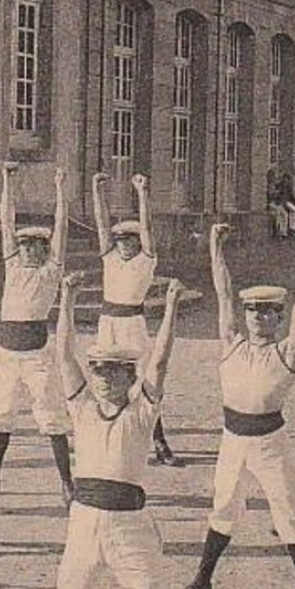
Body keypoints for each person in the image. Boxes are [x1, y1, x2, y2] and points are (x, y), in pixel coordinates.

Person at [0, 272, 210, 589]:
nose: (106, 378)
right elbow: (62, 351)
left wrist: (170, 306)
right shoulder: (82, 409)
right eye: (100, 372)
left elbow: (162, 357)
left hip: (130, 528)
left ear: (130, 379)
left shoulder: (140, 412)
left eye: (115, 372)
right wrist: (67, 299)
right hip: (84, 523)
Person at [171, 224, 295, 589]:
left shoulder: (289, 351)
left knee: (291, 517)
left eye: (268, 311)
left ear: (278, 317)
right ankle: (203, 581)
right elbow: (223, 291)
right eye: (254, 311)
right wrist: (215, 246)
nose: (259, 317)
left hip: (271, 444)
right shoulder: (232, 342)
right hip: (232, 442)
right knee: (223, 509)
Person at [0, 161, 74, 502]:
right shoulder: (12, 266)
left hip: (37, 355)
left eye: (34, 247)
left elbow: (61, 227)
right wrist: (6, 181)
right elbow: (7, 221)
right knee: (2, 412)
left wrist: (59, 187)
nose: (27, 250)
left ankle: (67, 484)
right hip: (7, 354)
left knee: (51, 416)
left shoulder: (51, 272)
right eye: (24, 246)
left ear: (44, 251)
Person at [92, 172, 178, 466]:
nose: (124, 245)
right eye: (121, 241)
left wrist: (141, 192)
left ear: (138, 241)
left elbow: (149, 227)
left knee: (144, 379)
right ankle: (106, 434)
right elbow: (102, 225)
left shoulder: (146, 260)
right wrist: (97, 191)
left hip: (133, 324)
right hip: (108, 322)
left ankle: (159, 441)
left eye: (130, 240)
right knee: (104, 375)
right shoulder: (110, 257)